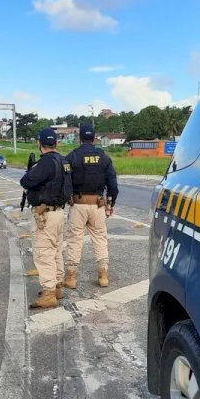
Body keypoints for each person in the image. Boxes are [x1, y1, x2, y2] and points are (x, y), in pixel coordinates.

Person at [20, 128, 73, 309]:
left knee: (44, 252)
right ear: (56, 143)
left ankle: (49, 293)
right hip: (58, 212)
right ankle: (57, 286)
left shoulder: (46, 163)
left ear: (39, 144)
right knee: (56, 250)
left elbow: (26, 181)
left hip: (46, 215)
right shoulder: (63, 160)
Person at [63, 124, 118, 289]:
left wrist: (68, 198)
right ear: (94, 138)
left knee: (75, 240)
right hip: (97, 205)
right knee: (100, 239)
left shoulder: (71, 157)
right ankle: (103, 276)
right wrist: (111, 202)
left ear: (80, 138)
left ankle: (71, 278)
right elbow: (113, 184)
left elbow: (65, 181)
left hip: (78, 205)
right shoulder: (104, 157)